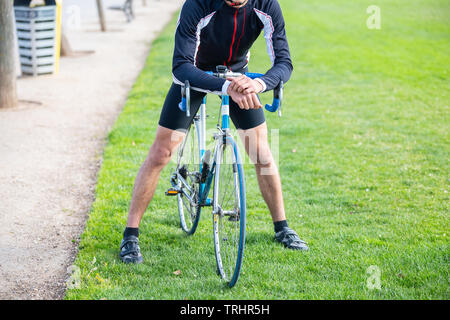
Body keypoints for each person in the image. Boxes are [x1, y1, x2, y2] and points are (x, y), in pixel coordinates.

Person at [119, 0, 308, 264]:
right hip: (194, 76)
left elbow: (284, 62)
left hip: (240, 78)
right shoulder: (197, 4)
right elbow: (181, 65)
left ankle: (282, 227)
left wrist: (258, 83)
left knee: (262, 154)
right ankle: (130, 234)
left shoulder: (266, 5)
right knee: (162, 153)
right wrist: (223, 87)